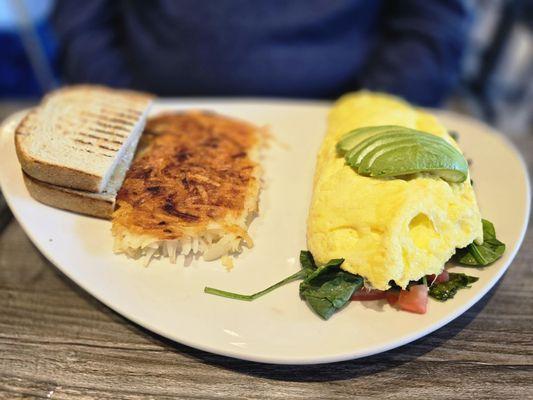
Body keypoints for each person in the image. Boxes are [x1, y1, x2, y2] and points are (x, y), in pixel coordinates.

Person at [52, 0, 473, 106]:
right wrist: (128, 114)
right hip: (147, 115)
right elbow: (82, 20)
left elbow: (431, 25)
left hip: (342, 119)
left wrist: (367, 124)